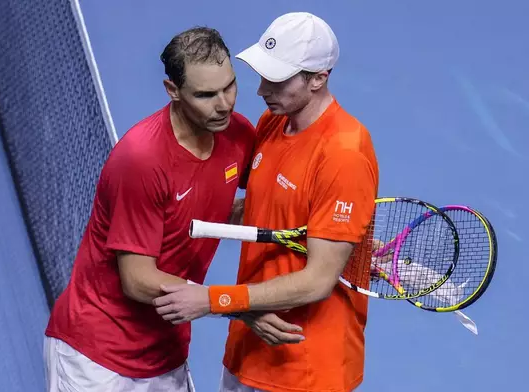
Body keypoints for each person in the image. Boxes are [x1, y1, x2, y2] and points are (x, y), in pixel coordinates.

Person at [152, 12, 380, 392]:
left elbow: (319, 280)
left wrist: (216, 300)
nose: (261, 90)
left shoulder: (344, 154)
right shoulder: (273, 123)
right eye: (261, 75)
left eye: (277, 79)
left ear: (318, 78)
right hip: (249, 350)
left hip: (304, 369)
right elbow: (262, 209)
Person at [43, 26, 259, 391]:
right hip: (97, 359)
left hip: (165, 355)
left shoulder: (236, 133)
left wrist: (343, 238)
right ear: (172, 91)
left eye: (229, 86)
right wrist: (235, 304)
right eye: (206, 94)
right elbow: (139, 280)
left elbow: (265, 196)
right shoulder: (142, 161)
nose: (224, 104)